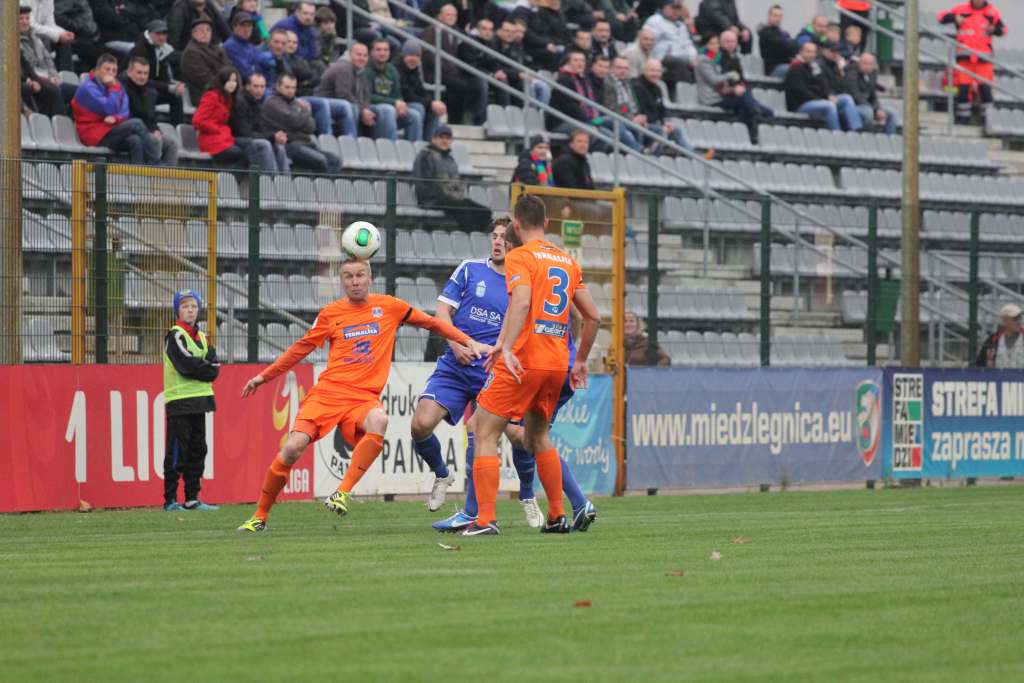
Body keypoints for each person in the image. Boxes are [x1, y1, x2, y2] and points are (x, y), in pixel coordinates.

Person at [236, 258, 491, 532]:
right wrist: (264, 376)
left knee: (379, 420)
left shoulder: (390, 307)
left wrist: (467, 341)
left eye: (359, 275)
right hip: (328, 394)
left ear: (370, 278)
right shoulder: (330, 314)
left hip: (362, 398)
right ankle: (259, 517)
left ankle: (342, 492)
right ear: (342, 281)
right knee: (291, 448)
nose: (355, 281)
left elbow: (432, 323)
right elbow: (300, 349)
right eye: (348, 277)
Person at [424, 218, 599, 533]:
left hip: (522, 363)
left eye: (504, 236)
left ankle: (485, 516)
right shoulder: (558, 260)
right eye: (494, 236)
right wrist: (576, 357)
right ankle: (564, 509)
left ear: (517, 234)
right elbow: (587, 315)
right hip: (553, 363)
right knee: (532, 435)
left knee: (492, 430)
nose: (498, 241)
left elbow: (521, 307)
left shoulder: (525, 263)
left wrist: (504, 348)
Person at [163, 289, 220, 512]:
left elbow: (214, 367)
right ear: (177, 310)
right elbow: (186, 365)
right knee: (178, 450)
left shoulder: (203, 337)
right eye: (185, 306)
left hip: (200, 401)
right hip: (180, 402)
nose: (190, 310)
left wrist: (204, 367)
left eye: (194, 306)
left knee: (199, 449)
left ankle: (192, 498)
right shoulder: (175, 335)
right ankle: (169, 499)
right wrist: (204, 367)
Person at [72, 53, 159, 163]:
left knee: (135, 141)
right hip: (94, 134)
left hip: (109, 129)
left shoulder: (116, 85)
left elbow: (124, 111)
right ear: (97, 69)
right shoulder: (88, 88)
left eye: (114, 70)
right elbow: (109, 108)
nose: (111, 73)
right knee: (136, 123)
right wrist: (113, 87)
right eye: (107, 69)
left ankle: (137, 177)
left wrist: (116, 118)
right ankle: (156, 162)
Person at [939, 0, 1007, 125]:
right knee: (963, 90)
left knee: (985, 90)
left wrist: (994, 30)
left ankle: (988, 121)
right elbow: (941, 17)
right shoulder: (961, 9)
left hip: (984, 59)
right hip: (964, 58)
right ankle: (963, 120)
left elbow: (1003, 29)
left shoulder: (991, 12)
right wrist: (954, 18)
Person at [696, 32, 771, 145]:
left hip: (723, 94)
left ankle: (749, 132)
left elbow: (735, 80)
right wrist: (729, 76)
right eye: (712, 44)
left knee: (748, 103)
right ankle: (754, 122)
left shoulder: (716, 58)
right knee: (745, 101)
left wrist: (732, 87)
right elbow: (714, 80)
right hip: (712, 98)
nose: (716, 46)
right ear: (706, 46)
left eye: (716, 44)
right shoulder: (705, 59)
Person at [412, 126, 492, 231]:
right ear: (434, 139)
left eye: (448, 138)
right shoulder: (424, 156)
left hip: (451, 198)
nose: (445, 141)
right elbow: (422, 184)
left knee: (484, 212)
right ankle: (469, 239)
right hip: (432, 200)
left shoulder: (450, 159)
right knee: (462, 209)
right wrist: (440, 195)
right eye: (441, 137)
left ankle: (478, 239)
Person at [262, 73, 342, 173]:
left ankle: (325, 186)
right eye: (287, 87)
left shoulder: (295, 103)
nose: (291, 91)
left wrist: (301, 116)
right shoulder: (273, 103)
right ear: (278, 87)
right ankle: (322, 186)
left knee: (336, 161)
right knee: (320, 160)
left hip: (305, 143)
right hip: (289, 146)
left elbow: (312, 126)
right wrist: (305, 111)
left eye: (293, 88)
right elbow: (293, 120)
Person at [421, 4, 485, 125]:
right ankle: (456, 120)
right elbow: (428, 54)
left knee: (476, 82)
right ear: (440, 16)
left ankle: (475, 117)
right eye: (448, 14)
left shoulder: (458, 32)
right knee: (460, 86)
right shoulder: (432, 30)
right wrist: (448, 68)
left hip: (454, 72)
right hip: (436, 72)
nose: (452, 17)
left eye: (454, 15)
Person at [784, 42, 859, 132]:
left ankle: (856, 130)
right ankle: (837, 134)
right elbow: (801, 92)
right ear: (801, 51)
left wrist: (828, 95)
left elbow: (823, 84)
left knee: (846, 98)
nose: (811, 55)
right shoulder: (795, 68)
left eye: (813, 52)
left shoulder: (814, 67)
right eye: (808, 52)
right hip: (801, 105)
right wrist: (822, 98)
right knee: (829, 105)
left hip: (818, 100)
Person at [120, 56, 179, 165]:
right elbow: (127, 118)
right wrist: (150, 133)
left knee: (171, 144)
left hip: (147, 131)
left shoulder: (150, 92)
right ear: (129, 72)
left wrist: (157, 130)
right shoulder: (121, 89)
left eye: (145, 73)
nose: (142, 77)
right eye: (139, 72)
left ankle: (170, 180)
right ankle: (152, 174)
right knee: (154, 140)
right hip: (130, 132)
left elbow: (151, 118)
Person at [19, 4, 75, 117]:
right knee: (54, 91)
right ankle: (59, 129)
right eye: (20, 19)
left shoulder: (35, 38)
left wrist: (54, 76)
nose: (25, 22)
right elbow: (27, 68)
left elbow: (48, 60)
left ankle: (76, 127)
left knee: (78, 92)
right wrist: (45, 79)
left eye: (27, 18)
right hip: (36, 79)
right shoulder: (14, 42)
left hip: (47, 78)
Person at [126, 19, 185, 125]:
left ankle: (178, 129)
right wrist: (168, 87)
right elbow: (142, 79)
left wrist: (174, 86)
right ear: (149, 34)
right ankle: (151, 126)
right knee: (151, 93)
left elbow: (163, 77)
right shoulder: (140, 50)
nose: (162, 37)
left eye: (164, 33)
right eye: (158, 33)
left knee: (175, 96)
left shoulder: (163, 50)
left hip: (151, 87)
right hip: (135, 90)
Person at [232, 73, 291, 174]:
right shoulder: (239, 102)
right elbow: (244, 132)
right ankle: (271, 182)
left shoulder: (257, 104)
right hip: (236, 138)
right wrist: (272, 136)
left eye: (262, 86)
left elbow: (261, 129)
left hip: (250, 137)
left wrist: (276, 136)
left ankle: (284, 185)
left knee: (279, 146)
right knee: (265, 144)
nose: (259, 90)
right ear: (248, 86)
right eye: (256, 86)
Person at [313, 43, 375, 139]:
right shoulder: (344, 67)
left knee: (384, 111)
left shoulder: (361, 70)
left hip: (344, 103)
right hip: (324, 102)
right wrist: (362, 110)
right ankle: (350, 143)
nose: (362, 58)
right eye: (358, 54)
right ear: (350, 55)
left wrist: (367, 109)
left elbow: (366, 95)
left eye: (365, 55)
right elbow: (343, 94)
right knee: (352, 108)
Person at [365, 39, 423, 141]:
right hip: (371, 107)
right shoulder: (366, 69)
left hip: (390, 107)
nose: (382, 53)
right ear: (371, 52)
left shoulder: (391, 70)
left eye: (385, 50)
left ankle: (413, 152)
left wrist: (400, 104)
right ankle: (389, 151)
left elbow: (397, 94)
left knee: (415, 115)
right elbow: (367, 96)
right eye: (378, 50)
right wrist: (394, 102)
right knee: (388, 110)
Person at [634, 58, 694, 152]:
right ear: (644, 71)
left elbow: (662, 110)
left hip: (655, 124)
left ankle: (693, 155)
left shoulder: (657, 88)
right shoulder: (637, 86)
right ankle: (653, 156)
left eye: (658, 71)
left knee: (676, 130)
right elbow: (644, 114)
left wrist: (666, 122)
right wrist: (662, 126)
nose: (655, 74)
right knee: (662, 131)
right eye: (652, 70)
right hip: (643, 126)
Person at [398, 41, 447, 141]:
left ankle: (429, 146)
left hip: (409, 104)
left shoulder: (414, 70)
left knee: (434, 112)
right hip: (399, 104)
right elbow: (407, 95)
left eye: (417, 56)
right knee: (419, 108)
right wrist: (430, 103)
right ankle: (414, 145)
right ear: (403, 56)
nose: (414, 58)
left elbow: (422, 91)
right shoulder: (397, 69)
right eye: (411, 55)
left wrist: (434, 103)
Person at [644, 0, 698, 87]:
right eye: (673, 7)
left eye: (678, 8)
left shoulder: (681, 24)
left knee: (709, 57)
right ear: (665, 7)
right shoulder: (654, 21)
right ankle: (686, 94)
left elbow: (688, 44)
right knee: (679, 62)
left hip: (685, 57)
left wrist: (692, 58)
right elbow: (648, 42)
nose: (675, 11)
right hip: (662, 58)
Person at [181, 16, 233, 104]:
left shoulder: (217, 49)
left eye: (208, 30)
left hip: (223, 90)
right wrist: (227, 84)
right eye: (201, 30)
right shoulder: (191, 53)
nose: (205, 33)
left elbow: (230, 70)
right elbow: (206, 80)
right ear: (193, 33)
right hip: (204, 95)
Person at [842, 52, 897, 135]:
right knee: (868, 112)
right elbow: (856, 96)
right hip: (854, 107)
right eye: (865, 63)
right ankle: (867, 136)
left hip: (869, 106)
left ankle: (890, 140)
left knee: (892, 113)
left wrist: (878, 109)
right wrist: (875, 110)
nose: (867, 67)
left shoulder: (872, 74)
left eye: (870, 64)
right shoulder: (851, 74)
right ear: (859, 63)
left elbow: (873, 95)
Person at [817, 41, 863, 132]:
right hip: (821, 97)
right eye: (832, 51)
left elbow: (842, 87)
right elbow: (820, 84)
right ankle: (852, 130)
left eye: (837, 52)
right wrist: (827, 95)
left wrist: (843, 71)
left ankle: (854, 131)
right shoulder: (819, 65)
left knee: (863, 111)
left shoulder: (835, 66)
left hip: (834, 98)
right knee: (846, 99)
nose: (835, 54)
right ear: (824, 51)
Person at [52, 0, 101, 70]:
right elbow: (57, 16)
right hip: (78, 39)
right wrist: (78, 26)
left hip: (93, 37)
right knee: (101, 60)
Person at [523, 0, 569, 72]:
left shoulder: (556, 13)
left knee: (569, 50)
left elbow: (563, 31)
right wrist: (546, 43)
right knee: (558, 52)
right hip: (533, 45)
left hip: (546, 42)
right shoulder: (526, 11)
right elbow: (528, 34)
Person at [977, 303, 1024, 368]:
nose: (1019, 321)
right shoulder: (992, 340)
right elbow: (980, 364)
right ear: (1004, 320)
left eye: (1020, 318)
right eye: (1015, 318)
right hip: (996, 378)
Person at [758, 4, 797, 78]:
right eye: (775, 15)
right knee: (794, 70)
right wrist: (789, 43)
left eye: (780, 16)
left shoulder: (783, 33)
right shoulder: (765, 32)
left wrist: (789, 44)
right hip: (773, 69)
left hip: (786, 65)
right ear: (769, 16)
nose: (777, 18)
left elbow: (794, 48)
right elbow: (782, 46)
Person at [223, 11, 261, 81]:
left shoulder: (251, 46)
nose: (246, 29)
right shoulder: (230, 46)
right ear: (234, 27)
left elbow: (260, 68)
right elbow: (246, 73)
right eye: (242, 25)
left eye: (249, 25)